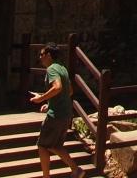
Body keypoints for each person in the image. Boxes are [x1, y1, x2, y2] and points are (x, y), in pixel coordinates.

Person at [30, 43, 85, 178]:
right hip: (66, 114)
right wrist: (50, 104)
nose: (40, 57)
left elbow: (58, 87)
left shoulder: (52, 69)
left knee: (42, 145)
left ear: (49, 55)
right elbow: (69, 91)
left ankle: (46, 176)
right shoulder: (62, 68)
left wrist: (41, 98)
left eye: (42, 54)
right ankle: (76, 170)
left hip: (56, 116)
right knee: (55, 145)